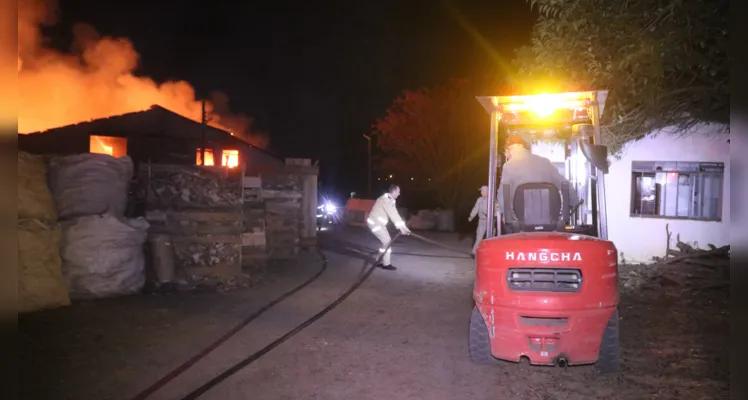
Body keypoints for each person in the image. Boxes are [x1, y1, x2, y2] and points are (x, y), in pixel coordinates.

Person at [498, 135, 578, 229]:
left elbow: (503, 194)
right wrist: (574, 203)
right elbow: (565, 184)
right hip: (549, 222)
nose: (506, 156)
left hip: (522, 224)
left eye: (506, 153)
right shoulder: (545, 162)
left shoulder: (508, 166)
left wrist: (505, 213)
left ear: (509, 149)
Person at [367, 184, 411, 270]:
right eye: (398, 192)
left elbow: (395, 213)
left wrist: (403, 227)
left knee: (385, 242)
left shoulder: (390, 200)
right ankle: (386, 264)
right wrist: (402, 228)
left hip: (378, 224)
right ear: (393, 191)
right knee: (387, 241)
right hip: (375, 224)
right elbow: (392, 214)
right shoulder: (386, 199)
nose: (399, 194)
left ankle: (378, 261)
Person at [468, 185, 489, 256]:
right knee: (479, 237)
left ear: (487, 192)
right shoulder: (480, 200)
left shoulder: (492, 200)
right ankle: (474, 252)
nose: (481, 192)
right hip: (482, 221)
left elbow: (497, 209)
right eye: (481, 191)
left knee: (490, 238)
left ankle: (488, 253)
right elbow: (475, 208)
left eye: (483, 191)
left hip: (490, 222)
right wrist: (471, 216)